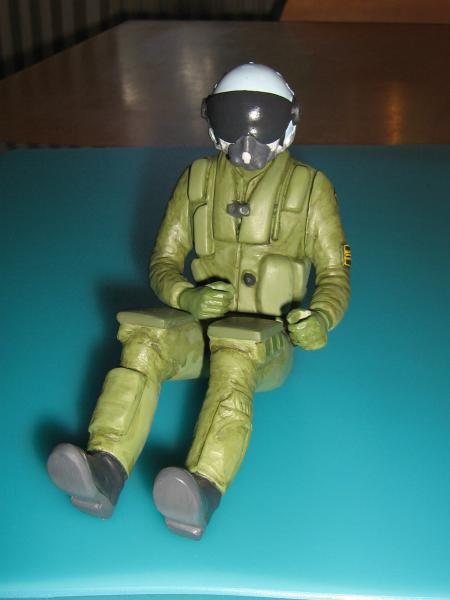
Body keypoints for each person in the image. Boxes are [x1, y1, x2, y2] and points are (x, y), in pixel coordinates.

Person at [48, 63, 350, 540]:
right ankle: (104, 465)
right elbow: (163, 262)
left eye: (263, 125)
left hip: (267, 344)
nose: (247, 143)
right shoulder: (196, 182)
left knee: (235, 356)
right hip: (201, 329)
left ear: (288, 124)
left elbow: (335, 272)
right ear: (211, 121)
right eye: (232, 122)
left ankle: (203, 487)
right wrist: (186, 295)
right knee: (143, 340)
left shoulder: (312, 191)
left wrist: (321, 318)